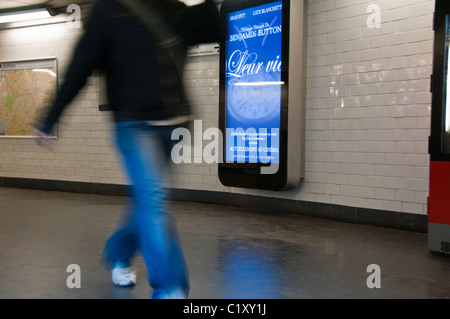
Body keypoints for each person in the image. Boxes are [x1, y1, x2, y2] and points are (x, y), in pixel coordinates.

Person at [35, 0, 221, 299]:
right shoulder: (108, 11)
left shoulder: (173, 7)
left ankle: (119, 254)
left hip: (176, 123)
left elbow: (213, 28)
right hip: (134, 125)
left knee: (147, 201)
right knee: (153, 199)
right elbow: (80, 66)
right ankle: (170, 287)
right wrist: (50, 117)